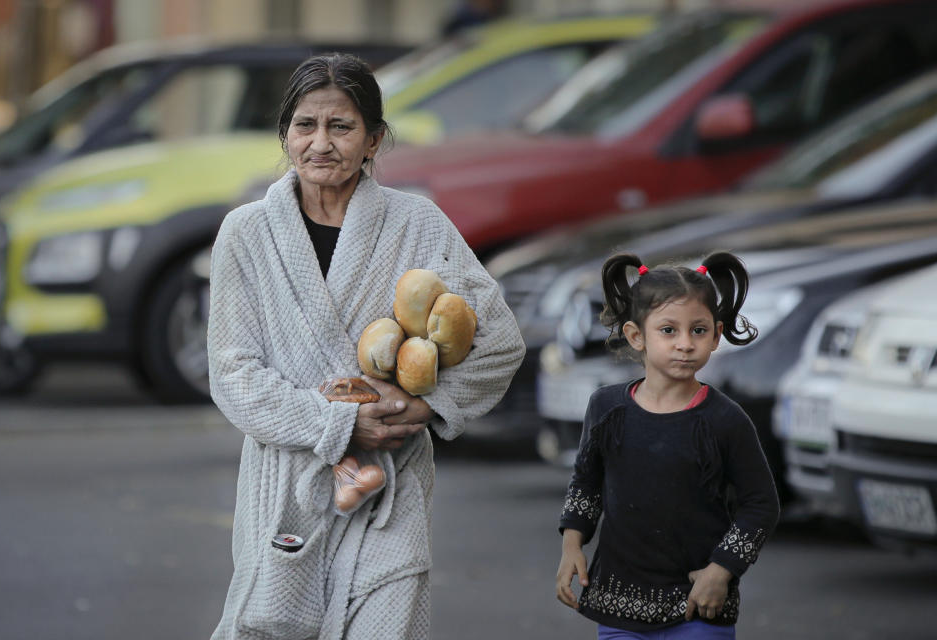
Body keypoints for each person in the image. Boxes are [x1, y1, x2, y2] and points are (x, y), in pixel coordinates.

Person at [207, 52, 525, 640]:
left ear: (374, 140)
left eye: (342, 126)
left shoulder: (417, 224)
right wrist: (338, 424)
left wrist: (426, 406)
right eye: (305, 125)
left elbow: (501, 342)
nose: (320, 143)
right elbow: (234, 375)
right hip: (289, 486)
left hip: (390, 488)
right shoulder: (246, 234)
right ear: (285, 135)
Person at [555, 252, 780, 639]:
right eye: (668, 330)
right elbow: (586, 483)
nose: (685, 344)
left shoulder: (725, 420)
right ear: (636, 335)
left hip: (699, 605)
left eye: (698, 330)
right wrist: (572, 545)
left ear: (716, 334)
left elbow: (761, 505)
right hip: (619, 608)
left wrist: (721, 571)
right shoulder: (607, 408)